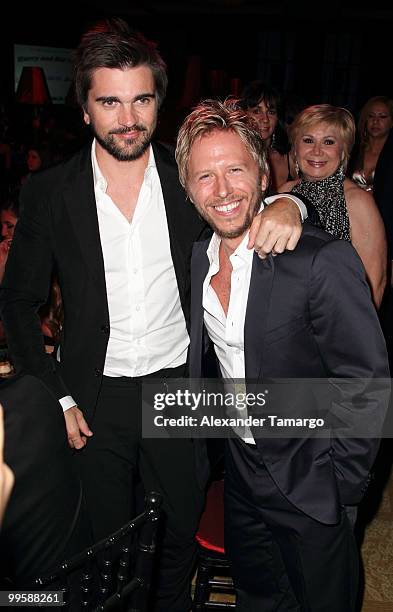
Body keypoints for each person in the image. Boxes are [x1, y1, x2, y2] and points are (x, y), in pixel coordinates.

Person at [0, 18, 307, 612]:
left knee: (180, 526)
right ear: (85, 110)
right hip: (93, 396)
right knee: (110, 541)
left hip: (177, 385)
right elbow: (17, 302)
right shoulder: (50, 193)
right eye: (109, 101)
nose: (128, 117)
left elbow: (243, 195)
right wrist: (56, 394)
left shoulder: (184, 178)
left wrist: (290, 201)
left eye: (141, 99)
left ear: (157, 104)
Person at [175, 99, 390, 612]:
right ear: (187, 188)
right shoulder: (196, 258)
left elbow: (366, 381)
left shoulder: (319, 260)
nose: (222, 190)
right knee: (259, 598)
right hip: (242, 472)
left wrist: (341, 486)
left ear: (265, 175)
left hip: (313, 474)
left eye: (235, 170)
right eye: (204, 176)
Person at [279, 104, 387, 308]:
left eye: (328, 142)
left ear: (343, 150)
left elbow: (375, 285)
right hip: (285, 315)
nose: (317, 151)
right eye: (308, 140)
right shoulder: (285, 192)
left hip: (331, 321)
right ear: (295, 148)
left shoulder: (357, 201)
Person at [239, 81, 294, 192]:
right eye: (257, 111)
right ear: (244, 115)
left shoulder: (290, 158)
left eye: (271, 112)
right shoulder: (236, 156)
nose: (265, 119)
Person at [350, 95, 393, 192]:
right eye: (371, 116)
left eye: (382, 116)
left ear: (391, 122)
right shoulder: (353, 150)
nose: (375, 121)